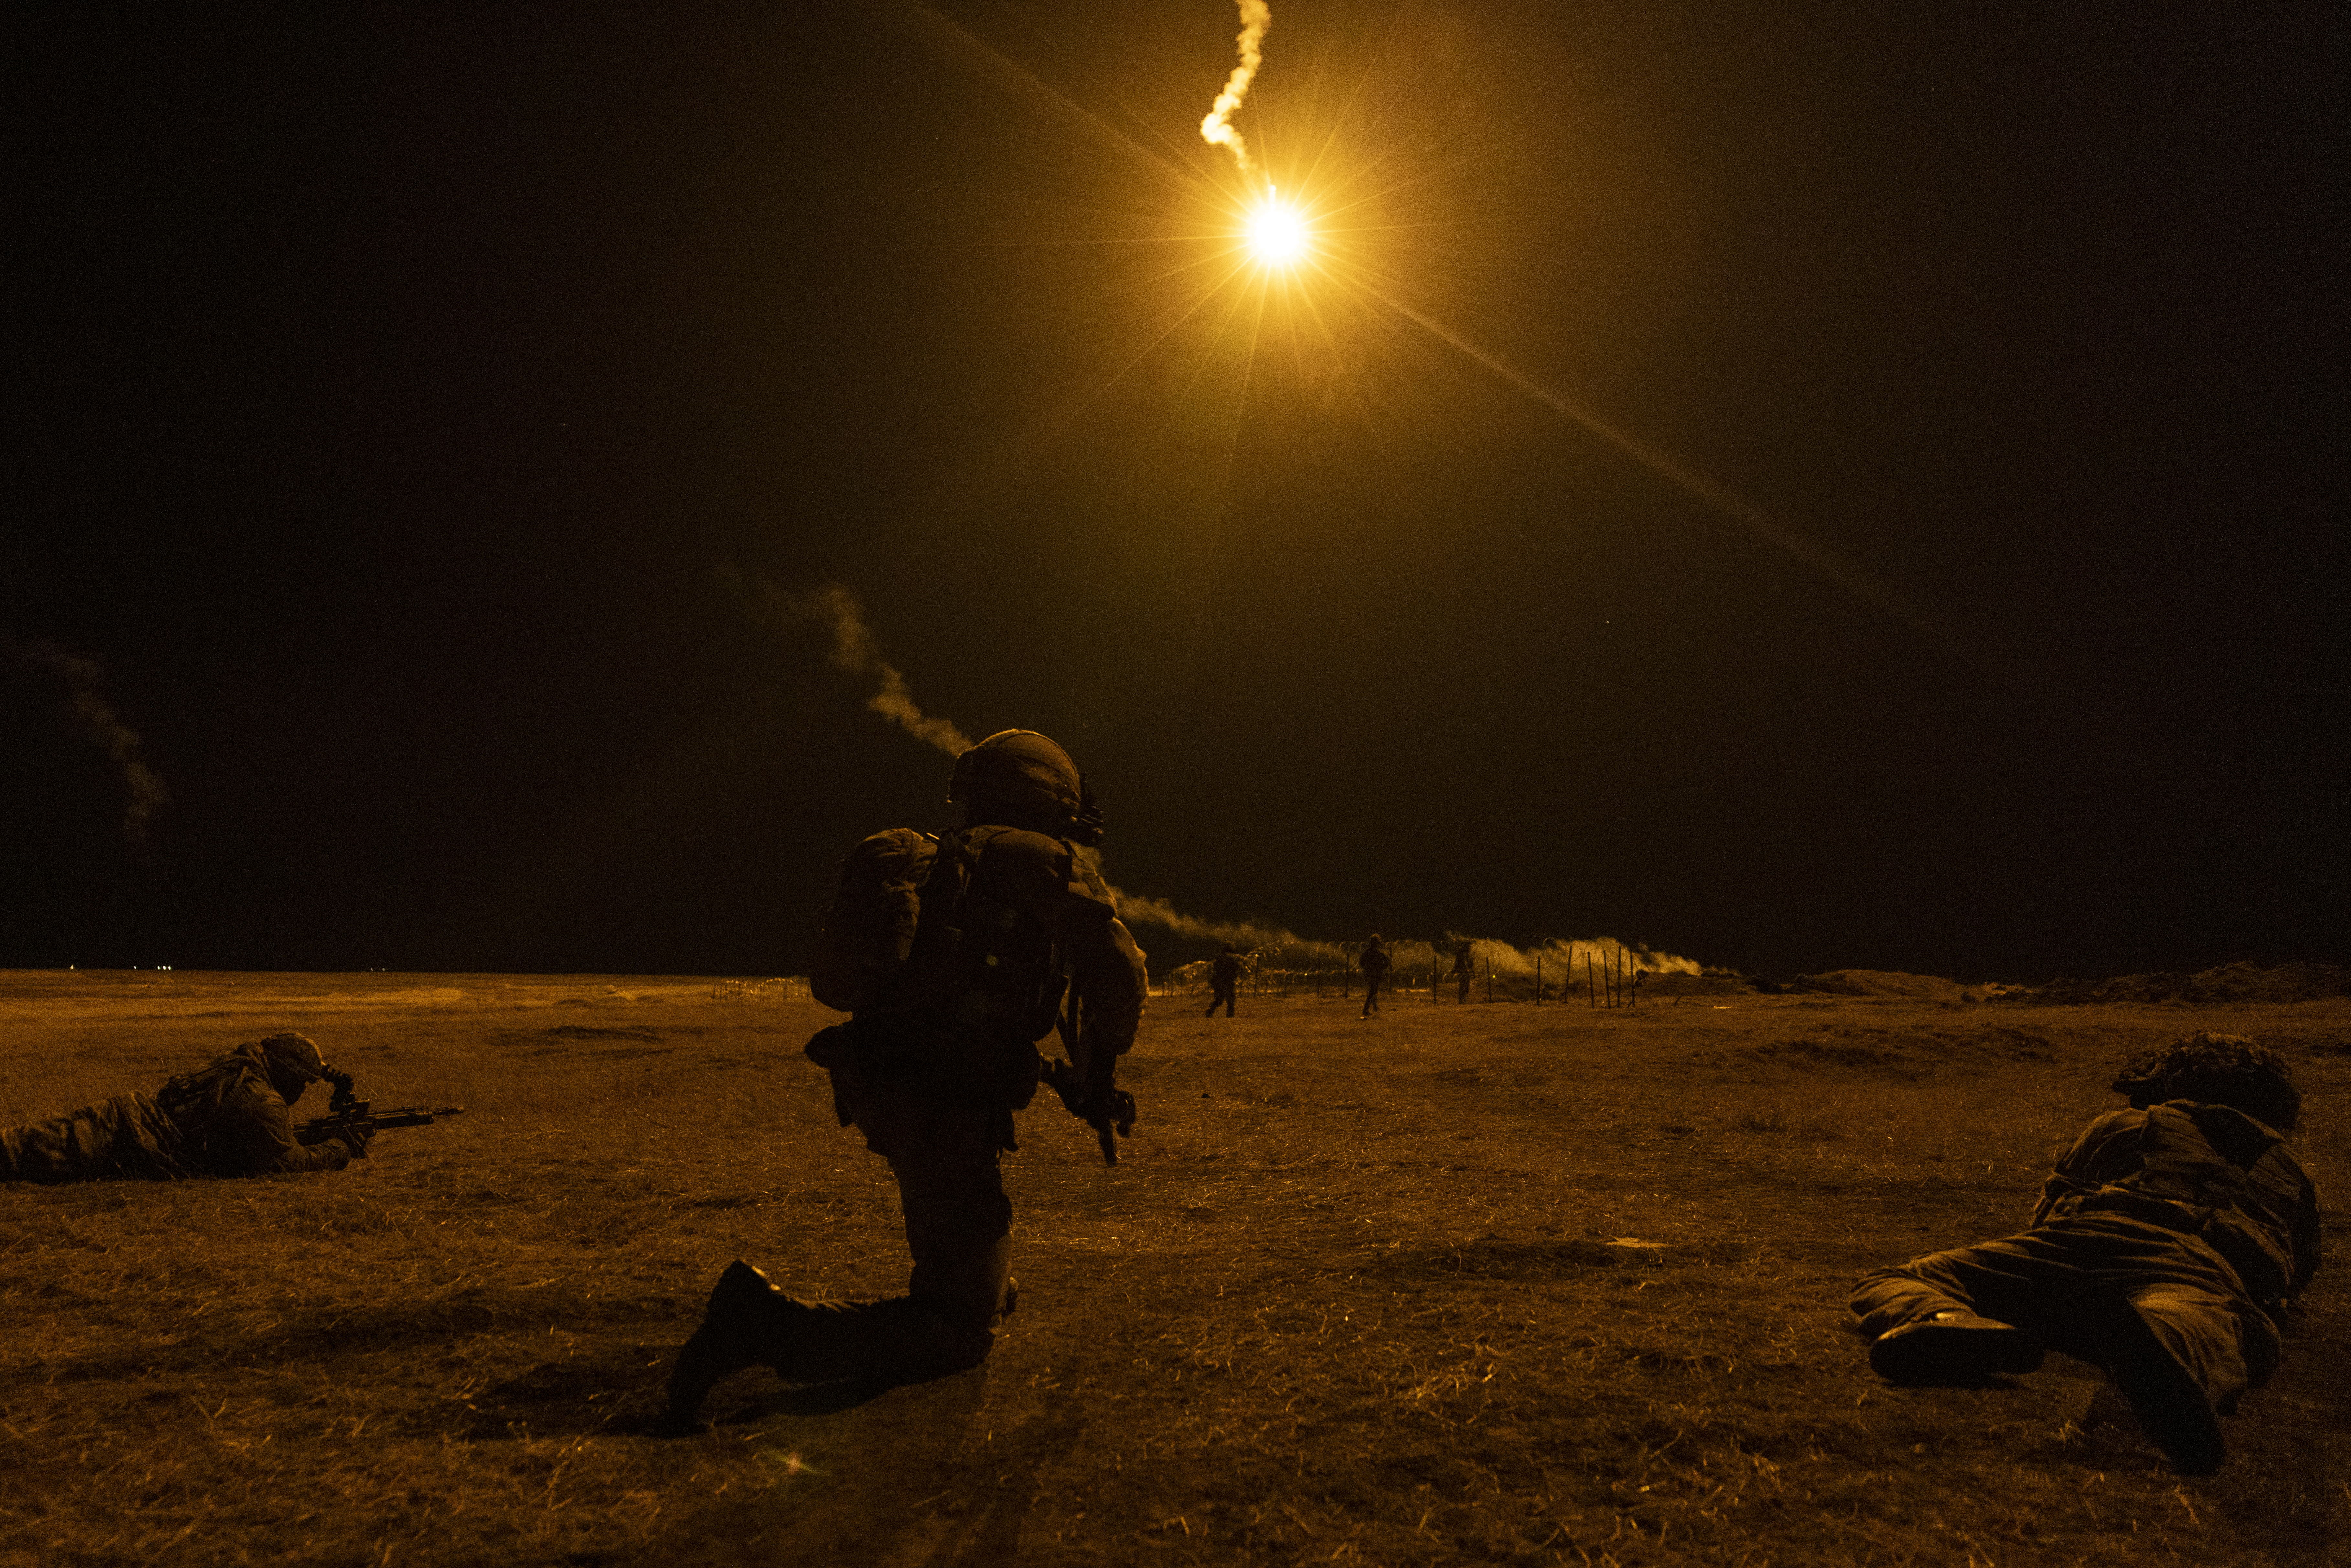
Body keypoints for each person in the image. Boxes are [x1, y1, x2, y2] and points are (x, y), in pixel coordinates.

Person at [667, 729, 1149, 1429]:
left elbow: (960, 1007)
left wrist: (1067, 1081)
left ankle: (977, 1279)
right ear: (1046, 796)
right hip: (939, 1101)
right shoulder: (1036, 859)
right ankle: (762, 1324)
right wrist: (1108, 1051)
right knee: (960, 1331)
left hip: (898, 1086)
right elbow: (1117, 972)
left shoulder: (952, 867)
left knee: (979, 1259)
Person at [1851, 1032, 2320, 1475]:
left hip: (2085, 1236)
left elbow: (2052, 1208)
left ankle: (1954, 1321)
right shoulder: (2288, 1170)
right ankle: (2164, 1339)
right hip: (2198, 1263)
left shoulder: (2128, 1124)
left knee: (1911, 1276)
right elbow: (2292, 1274)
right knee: (2196, 1318)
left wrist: (2038, 1267)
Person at [0, 1031, 370, 1182]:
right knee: (18, 1154)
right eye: (304, 1083)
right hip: (128, 1140)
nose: (303, 1092)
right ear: (289, 1076)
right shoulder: (262, 1100)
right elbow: (285, 1163)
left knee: (23, 1143)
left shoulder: (241, 1068)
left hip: (126, 1118)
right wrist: (340, 1148)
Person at [1358, 934, 1391, 1019]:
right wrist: (1381, 967)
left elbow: (1361, 962)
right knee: (1373, 991)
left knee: (1373, 991)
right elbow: (1388, 962)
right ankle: (1366, 1009)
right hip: (1377, 974)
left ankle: (1375, 1008)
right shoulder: (1380, 953)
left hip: (1369, 974)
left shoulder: (1367, 952)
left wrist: (1367, 969)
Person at [1206, 942, 1242, 1018]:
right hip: (1224, 981)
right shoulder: (1226, 958)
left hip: (1222, 981)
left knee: (1223, 999)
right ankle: (1228, 1016)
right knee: (1227, 1000)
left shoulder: (1222, 957)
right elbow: (1231, 969)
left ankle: (1212, 1011)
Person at [1452, 939, 1475, 1004]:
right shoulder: (1461, 954)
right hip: (1463, 972)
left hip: (1467, 972)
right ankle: (1461, 999)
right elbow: (1460, 963)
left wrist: (1472, 971)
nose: (1471, 947)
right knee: (1462, 985)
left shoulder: (1468, 954)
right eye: (1470, 946)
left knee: (1467, 987)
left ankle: (1464, 997)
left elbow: (1470, 963)